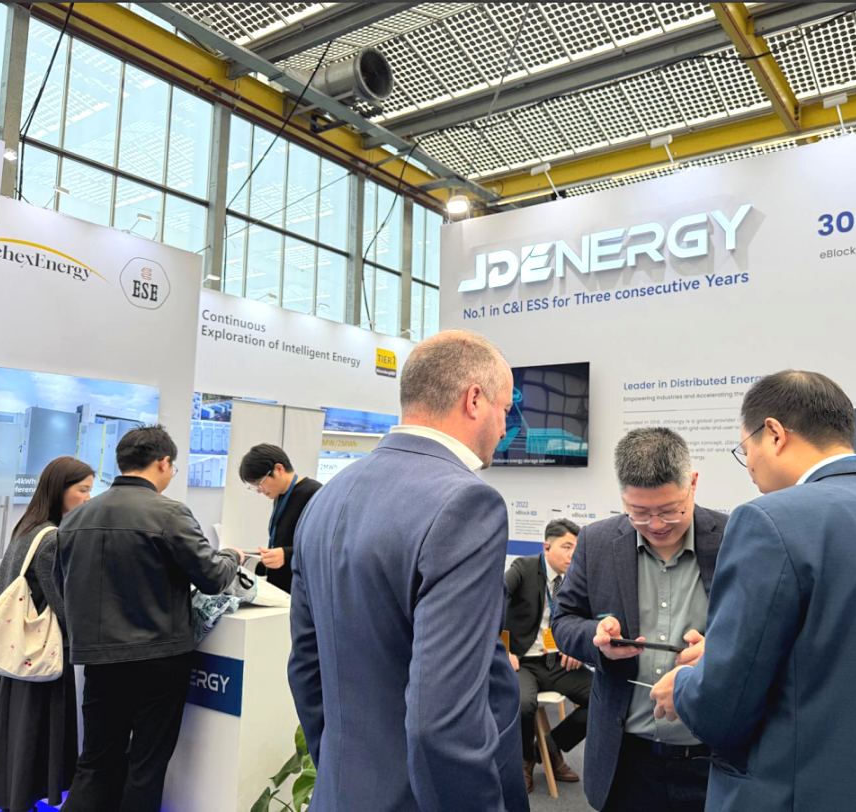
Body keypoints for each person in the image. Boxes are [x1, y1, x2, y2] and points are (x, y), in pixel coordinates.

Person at [649, 371, 856, 812]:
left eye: (745, 450)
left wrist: (687, 683)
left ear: (773, 434)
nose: (750, 467)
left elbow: (720, 711)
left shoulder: (767, 521)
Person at [288, 330, 528, 812]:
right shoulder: (467, 504)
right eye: (505, 409)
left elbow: (306, 670)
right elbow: (442, 722)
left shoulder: (324, 499)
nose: (506, 428)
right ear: (474, 400)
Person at [56, 425, 244, 812]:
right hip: (158, 657)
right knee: (146, 765)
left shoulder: (76, 518)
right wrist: (231, 556)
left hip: (99, 659)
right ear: (163, 462)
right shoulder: (169, 512)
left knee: (95, 763)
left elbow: (64, 585)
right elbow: (212, 578)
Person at [551, 428, 727, 812]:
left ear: (693, 484)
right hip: (625, 758)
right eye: (640, 513)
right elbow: (562, 620)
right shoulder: (597, 543)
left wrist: (719, 653)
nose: (657, 524)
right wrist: (596, 639)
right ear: (623, 499)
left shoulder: (733, 538)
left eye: (670, 510)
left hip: (711, 759)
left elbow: (766, 633)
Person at [0, 457, 93, 812]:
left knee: (14, 732)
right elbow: (61, 604)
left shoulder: (26, 527)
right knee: (35, 733)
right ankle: (23, 802)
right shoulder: (52, 537)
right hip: (42, 656)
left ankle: (13, 799)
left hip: (16, 651)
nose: (87, 498)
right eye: (82, 490)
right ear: (59, 490)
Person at [505, 517, 590, 792]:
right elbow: (493, 601)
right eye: (566, 546)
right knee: (523, 705)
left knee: (603, 696)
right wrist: (503, 648)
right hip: (523, 661)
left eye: (576, 548)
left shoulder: (576, 578)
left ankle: (551, 747)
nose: (572, 555)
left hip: (554, 660)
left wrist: (577, 646)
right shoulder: (523, 568)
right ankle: (526, 758)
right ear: (547, 547)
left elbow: (585, 618)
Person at [239, 444, 322, 593]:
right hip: (280, 586)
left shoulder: (314, 493)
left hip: (300, 590)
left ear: (279, 469)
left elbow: (323, 546)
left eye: (259, 483)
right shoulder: (280, 496)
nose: (259, 490)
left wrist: (287, 555)